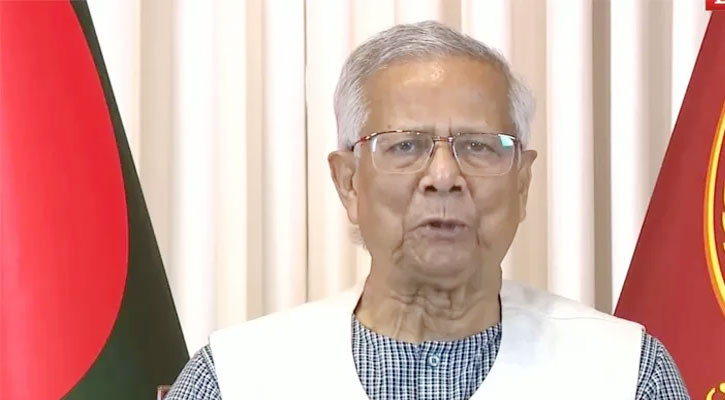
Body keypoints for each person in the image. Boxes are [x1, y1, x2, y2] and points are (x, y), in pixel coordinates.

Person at [166, 21, 689, 399]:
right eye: (406, 145)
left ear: (522, 182)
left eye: (478, 146)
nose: (443, 176)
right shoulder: (235, 379)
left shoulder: (627, 375)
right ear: (349, 182)